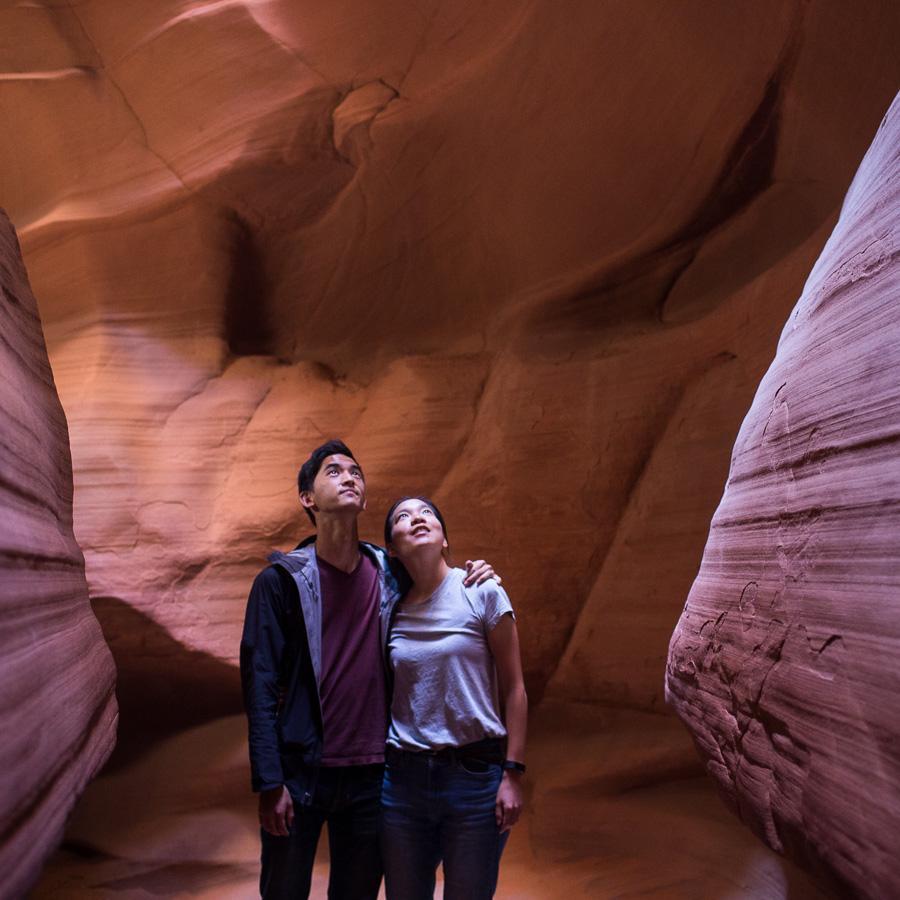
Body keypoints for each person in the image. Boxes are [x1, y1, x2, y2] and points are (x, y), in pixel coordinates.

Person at [240, 440, 497, 900]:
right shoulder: (280, 583)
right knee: (283, 892)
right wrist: (269, 780)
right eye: (333, 472)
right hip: (301, 772)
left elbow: (434, 573)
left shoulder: (388, 572)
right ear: (308, 499)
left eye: (355, 472)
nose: (349, 477)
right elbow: (258, 685)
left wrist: (472, 570)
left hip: (372, 775)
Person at [380, 496, 528, 900]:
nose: (417, 519)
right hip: (403, 782)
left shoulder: (482, 591)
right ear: (391, 548)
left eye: (427, 513)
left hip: (473, 778)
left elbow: (515, 686)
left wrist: (512, 773)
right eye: (403, 517)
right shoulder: (388, 609)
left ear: (445, 539)